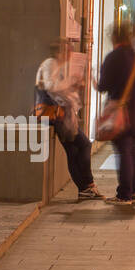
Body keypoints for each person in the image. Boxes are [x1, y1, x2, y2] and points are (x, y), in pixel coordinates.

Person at [96, 22, 135, 207]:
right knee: (134, 150)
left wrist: (93, 81)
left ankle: (124, 194)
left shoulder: (114, 57)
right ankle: (134, 192)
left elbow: (103, 85)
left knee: (124, 151)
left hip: (123, 111)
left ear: (114, 37)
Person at [35, 40, 102, 200]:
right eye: (67, 51)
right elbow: (52, 87)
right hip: (56, 115)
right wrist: (72, 83)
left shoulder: (56, 65)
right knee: (84, 144)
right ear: (59, 52)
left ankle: (84, 189)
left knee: (72, 151)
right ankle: (89, 184)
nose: (69, 55)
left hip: (62, 114)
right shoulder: (50, 64)